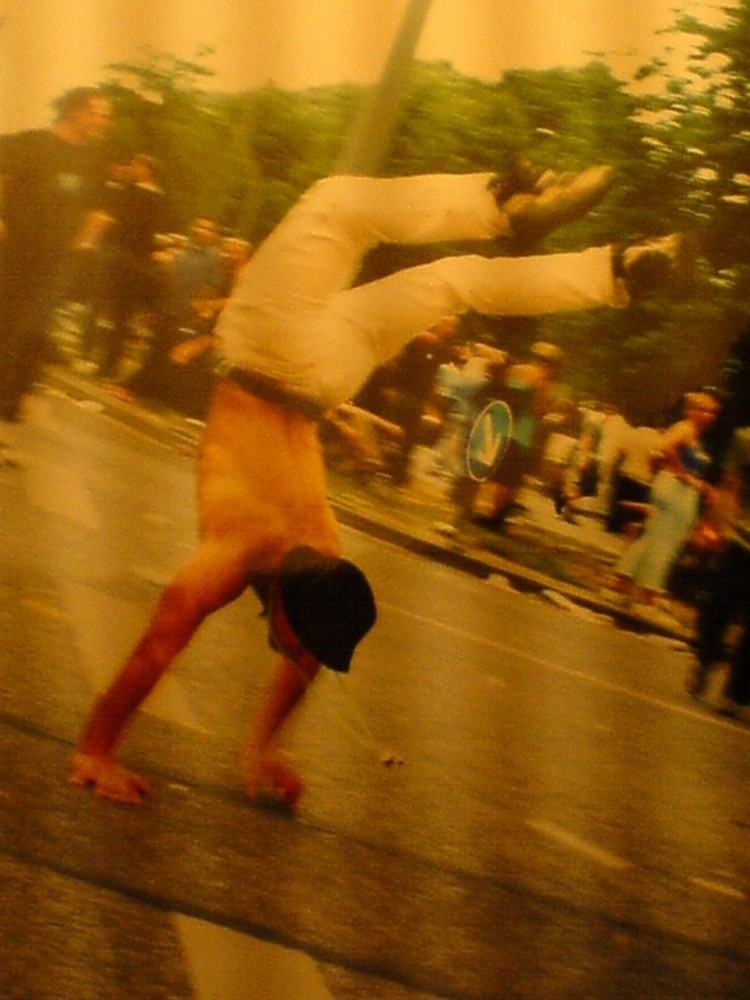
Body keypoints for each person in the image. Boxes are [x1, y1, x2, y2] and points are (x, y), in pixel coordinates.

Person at [70, 163, 688, 807]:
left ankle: (515, 210)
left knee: (345, 209)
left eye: (288, 633)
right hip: (311, 370)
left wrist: (98, 748)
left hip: (274, 356)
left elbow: (155, 650)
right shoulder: (320, 568)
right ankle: (615, 268)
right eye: (292, 634)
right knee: (440, 274)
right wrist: (258, 749)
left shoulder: (252, 555)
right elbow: (172, 650)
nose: (291, 645)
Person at [0, 86, 113, 463]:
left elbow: (100, 211)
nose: (102, 121)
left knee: (31, 339)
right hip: (12, 251)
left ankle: (7, 423)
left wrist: (80, 246)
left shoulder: (94, 161)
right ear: (77, 112)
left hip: (54, 266)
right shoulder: (30, 143)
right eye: (98, 113)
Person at [611, 391, 720, 606]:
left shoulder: (695, 434)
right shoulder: (685, 428)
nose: (709, 416)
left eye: (712, 412)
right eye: (704, 410)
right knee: (664, 541)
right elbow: (663, 447)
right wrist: (683, 474)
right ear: (691, 410)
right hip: (675, 490)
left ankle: (627, 580)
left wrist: (702, 486)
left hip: (680, 489)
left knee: (658, 537)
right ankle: (644, 589)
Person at [686, 426, 750, 714]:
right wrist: (715, 527)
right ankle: (705, 659)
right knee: (720, 603)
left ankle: (737, 694)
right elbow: (730, 487)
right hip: (740, 537)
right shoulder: (745, 439)